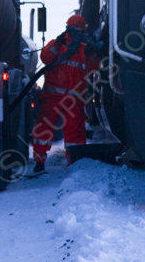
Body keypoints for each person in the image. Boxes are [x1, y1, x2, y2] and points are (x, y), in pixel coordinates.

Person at [31, 13, 101, 172]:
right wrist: (58, 42)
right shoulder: (58, 44)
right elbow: (45, 58)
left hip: (73, 100)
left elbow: (94, 68)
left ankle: (75, 161)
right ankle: (39, 161)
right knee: (44, 128)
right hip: (54, 97)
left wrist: (93, 53)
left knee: (74, 131)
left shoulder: (85, 50)